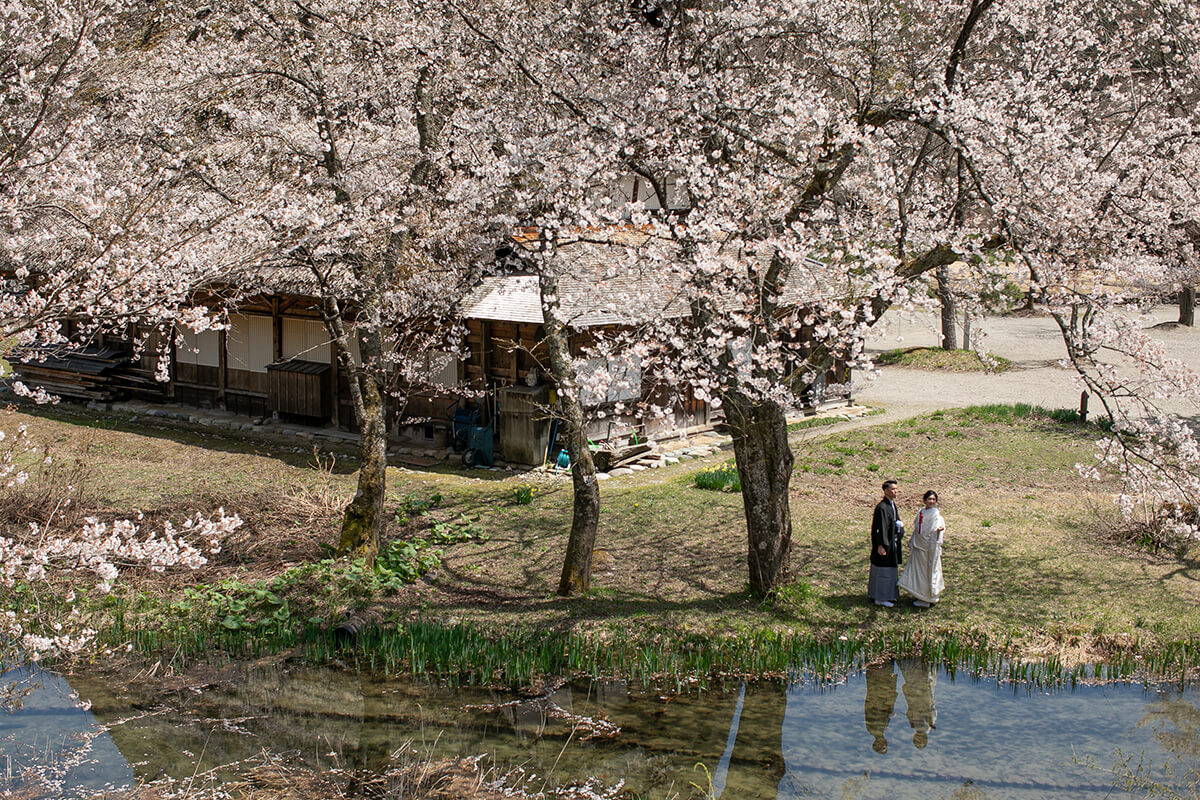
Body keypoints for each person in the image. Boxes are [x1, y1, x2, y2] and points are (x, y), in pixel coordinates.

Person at [898, 490, 945, 608]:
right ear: (924, 500)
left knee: (928, 572)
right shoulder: (921, 512)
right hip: (919, 547)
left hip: (928, 549)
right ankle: (920, 594)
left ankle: (928, 597)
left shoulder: (936, 515)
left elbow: (936, 529)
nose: (931, 501)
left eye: (933, 499)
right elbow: (917, 528)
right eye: (929, 499)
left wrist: (938, 531)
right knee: (919, 572)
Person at [868, 479, 903, 607]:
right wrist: (880, 545)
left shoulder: (892, 505)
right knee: (883, 571)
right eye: (893, 489)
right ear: (886, 491)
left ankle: (889, 595)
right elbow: (880, 528)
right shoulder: (882, 507)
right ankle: (880, 597)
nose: (896, 492)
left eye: (896, 489)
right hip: (885, 544)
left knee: (891, 570)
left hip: (892, 542)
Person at [864, 660, 898, 754]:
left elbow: (874, 710)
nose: (884, 743)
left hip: (878, 695)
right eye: (884, 745)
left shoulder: (874, 729)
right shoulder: (879, 729)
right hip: (880, 695)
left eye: (882, 745)